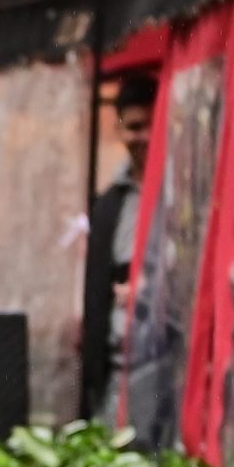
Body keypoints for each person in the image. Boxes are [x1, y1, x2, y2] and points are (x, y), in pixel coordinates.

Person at [81, 74, 157, 423]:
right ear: (122, 129)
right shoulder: (110, 203)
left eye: (152, 124)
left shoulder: (183, 194)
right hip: (119, 359)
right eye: (135, 126)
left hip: (168, 360)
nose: (144, 137)